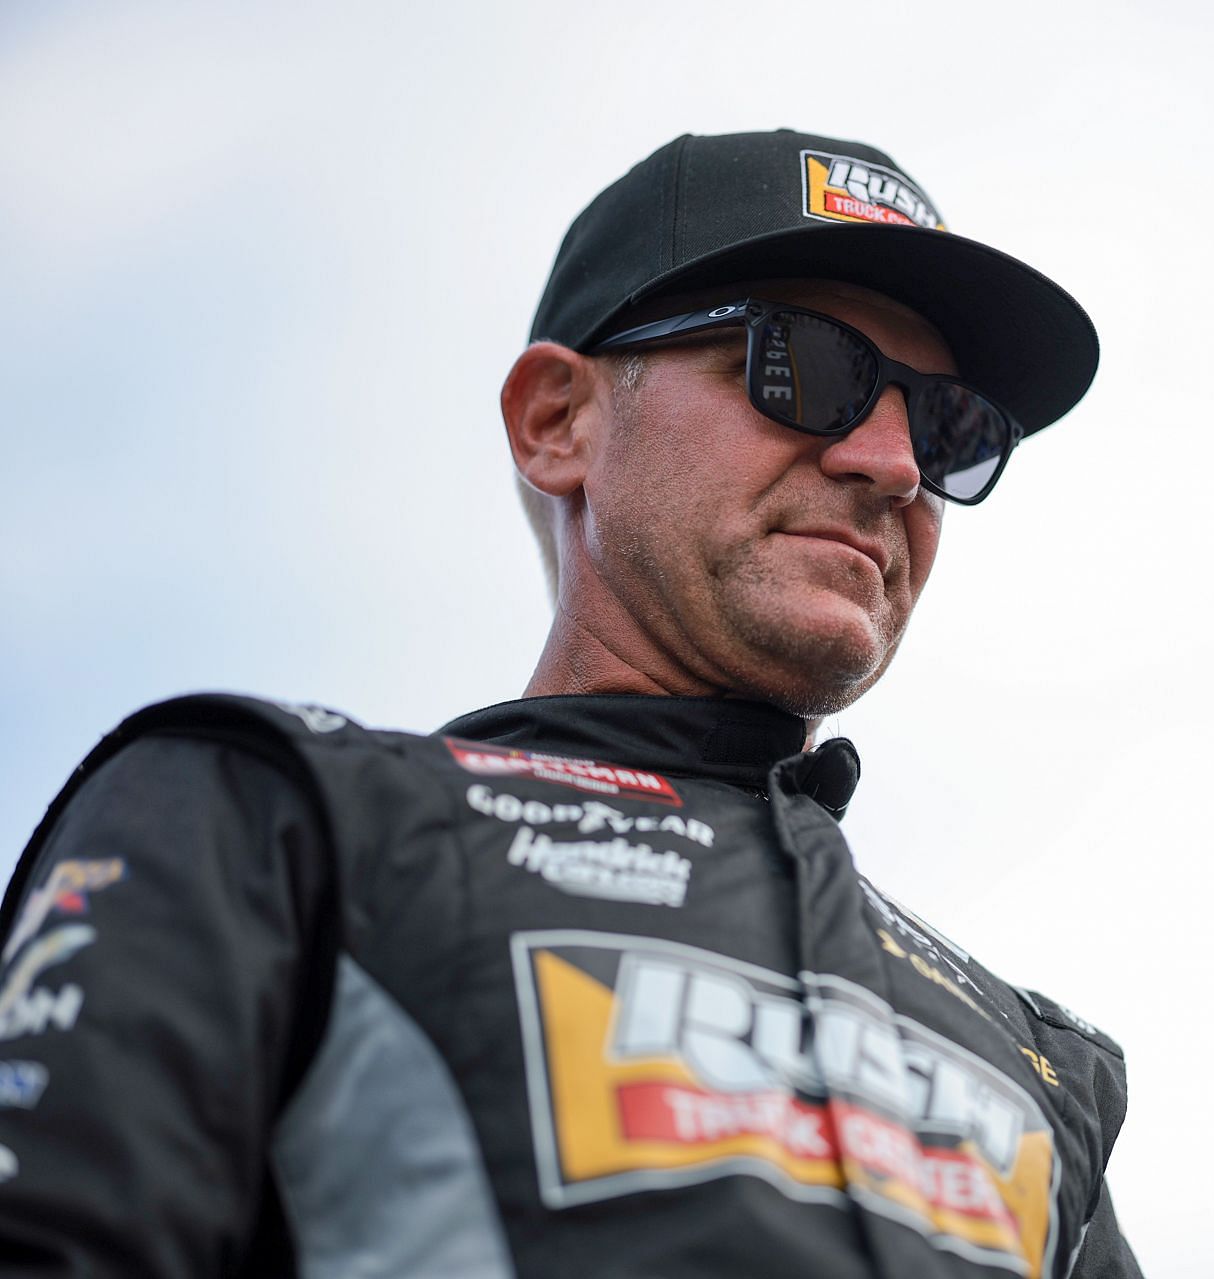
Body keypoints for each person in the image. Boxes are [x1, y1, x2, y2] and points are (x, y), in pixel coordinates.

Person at [0, 129, 1141, 1278]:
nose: (894, 463)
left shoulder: (1039, 1064)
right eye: (805, 363)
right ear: (558, 422)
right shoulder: (278, 818)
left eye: (951, 429)